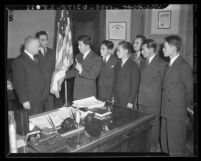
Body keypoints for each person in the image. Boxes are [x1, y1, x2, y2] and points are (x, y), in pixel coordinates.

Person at [160, 35, 193, 156]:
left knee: (175, 146)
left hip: (176, 112)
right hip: (165, 110)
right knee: (165, 142)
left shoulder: (183, 65)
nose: (162, 49)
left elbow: (190, 90)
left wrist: (181, 107)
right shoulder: (169, 64)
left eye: (165, 46)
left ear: (173, 47)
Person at [137, 39, 167, 152]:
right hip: (141, 99)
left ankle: (153, 147)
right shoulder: (143, 62)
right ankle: (143, 145)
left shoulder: (162, 64)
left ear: (151, 49)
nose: (141, 51)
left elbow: (164, 85)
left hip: (154, 101)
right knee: (142, 125)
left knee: (153, 126)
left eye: (143, 49)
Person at [12, 36, 48, 115]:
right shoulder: (19, 61)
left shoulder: (35, 58)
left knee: (39, 121)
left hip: (40, 98)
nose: (39, 48)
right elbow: (18, 83)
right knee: (32, 124)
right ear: (30, 46)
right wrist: (24, 100)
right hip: (31, 100)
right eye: (37, 46)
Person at [65, 35, 101, 100]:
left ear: (87, 46)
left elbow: (93, 75)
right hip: (77, 92)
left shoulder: (96, 58)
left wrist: (81, 70)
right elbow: (74, 72)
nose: (78, 47)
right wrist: (62, 75)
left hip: (88, 93)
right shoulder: (78, 56)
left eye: (80, 45)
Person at [112, 41, 140, 109]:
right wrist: (113, 97)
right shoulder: (117, 64)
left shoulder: (134, 66)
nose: (116, 52)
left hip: (126, 99)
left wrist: (130, 102)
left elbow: (135, 86)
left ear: (126, 51)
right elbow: (114, 82)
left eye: (119, 50)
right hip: (117, 98)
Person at [35, 31, 55, 111]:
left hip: (50, 86)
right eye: (43, 40)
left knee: (50, 110)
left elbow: (55, 68)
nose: (46, 42)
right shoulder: (33, 53)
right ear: (37, 41)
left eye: (47, 39)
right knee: (37, 112)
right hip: (38, 88)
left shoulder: (52, 52)